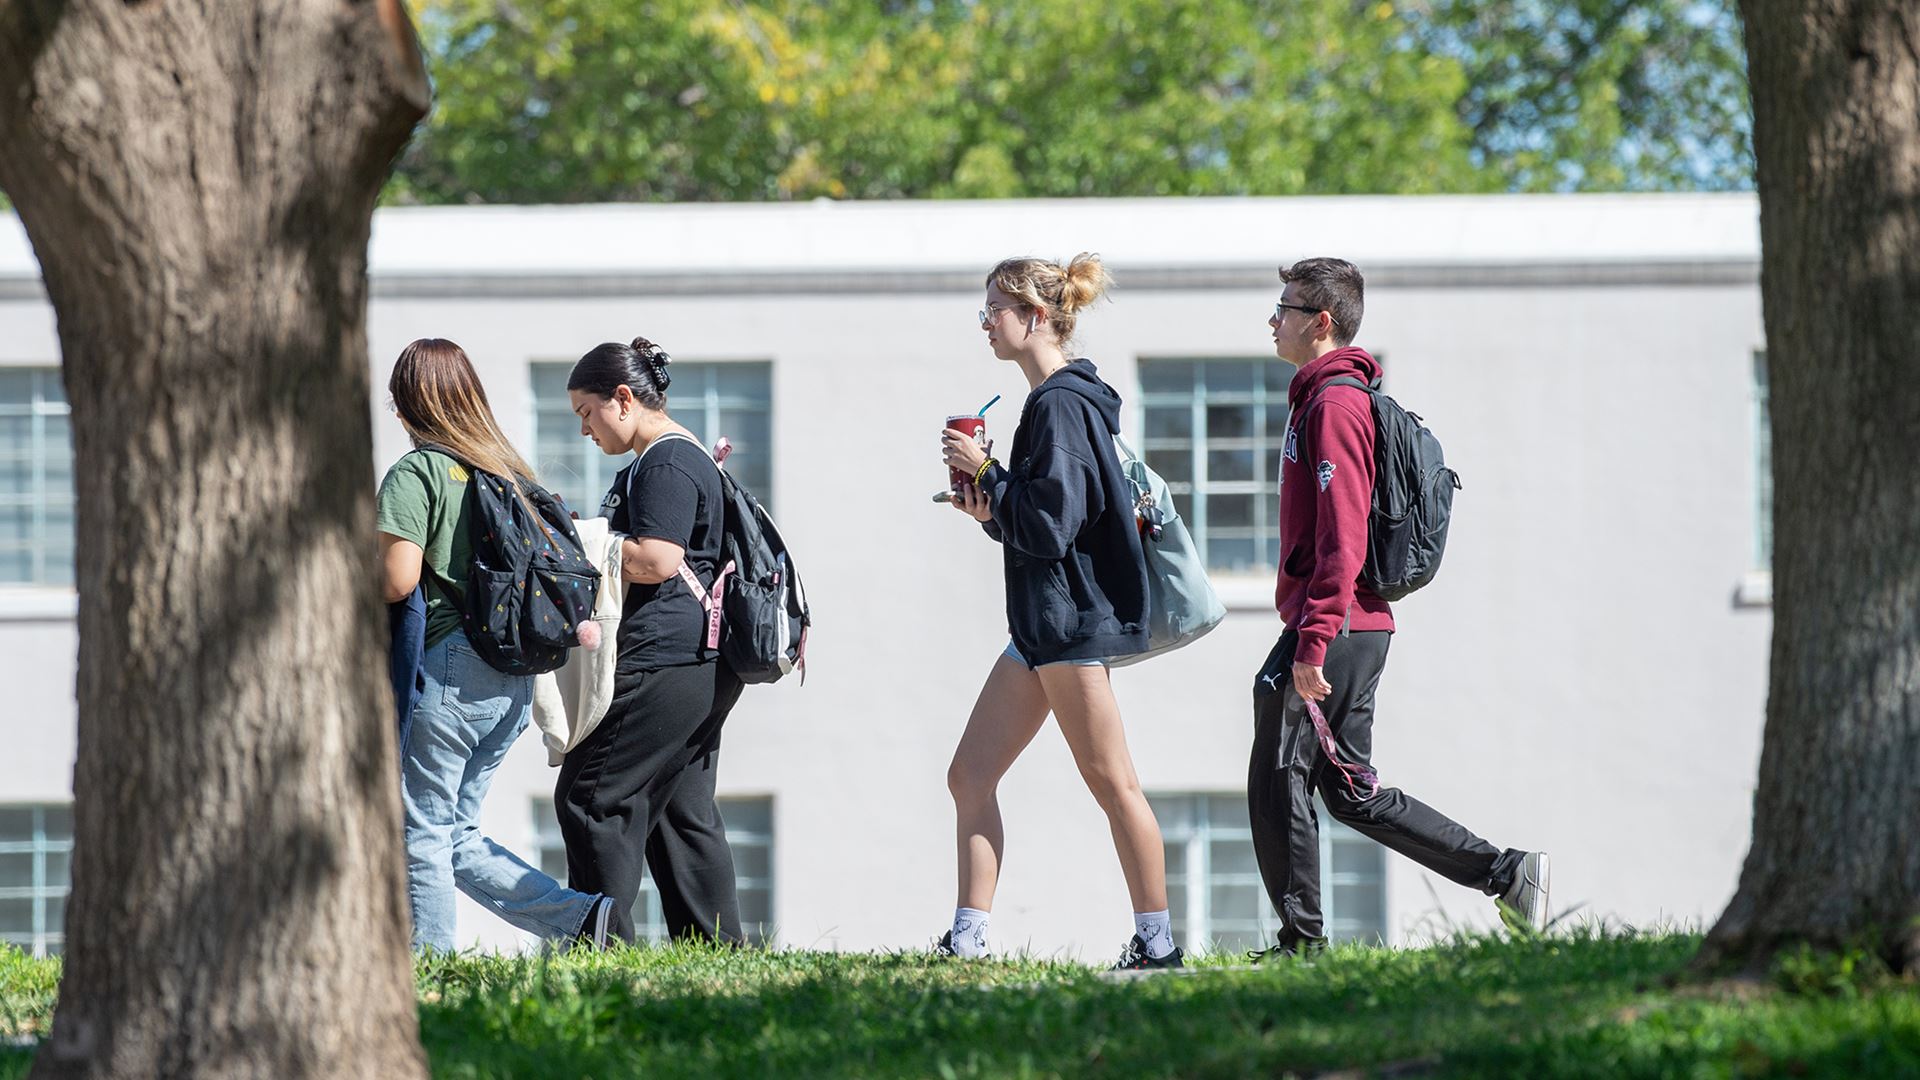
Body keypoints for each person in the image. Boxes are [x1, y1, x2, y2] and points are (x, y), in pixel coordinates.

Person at [1248, 258, 1550, 959]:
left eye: (1285, 307)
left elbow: (1344, 534)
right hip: (1347, 620)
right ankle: (1507, 874)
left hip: (1339, 622)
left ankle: (1302, 944)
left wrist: (1314, 638)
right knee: (1349, 791)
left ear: (1321, 321)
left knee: (1278, 772)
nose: (1274, 319)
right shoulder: (1320, 400)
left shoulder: (1335, 406)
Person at [938, 253, 1181, 971]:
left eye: (994, 311)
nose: (985, 324)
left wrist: (986, 470)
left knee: (1113, 784)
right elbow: (1042, 521)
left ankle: (1157, 943)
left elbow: (1051, 524)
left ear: (1034, 318)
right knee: (969, 776)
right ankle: (969, 938)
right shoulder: (1057, 401)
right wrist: (990, 507)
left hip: (1070, 624)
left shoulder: (1059, 404)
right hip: (1041, 627)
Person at [376, 337, 615, 953]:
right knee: (455, 833)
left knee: (422, 832)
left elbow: (397, 579)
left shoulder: (419, 470)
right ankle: (582, 919)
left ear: (407, 405)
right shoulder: (505, 468)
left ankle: (430, 968)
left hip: (449, 670)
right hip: (511, 680)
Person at [555, 336, 747, 945]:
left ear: (622, 399)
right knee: (680, 815)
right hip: (703, 661)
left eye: (587, 413)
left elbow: (658, 559)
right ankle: (717, 953)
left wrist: (582, 540)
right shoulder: (680, 456)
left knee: (591, 798)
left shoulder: (664, 459)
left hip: (665, 656)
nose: (585, 430)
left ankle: (602, 949)